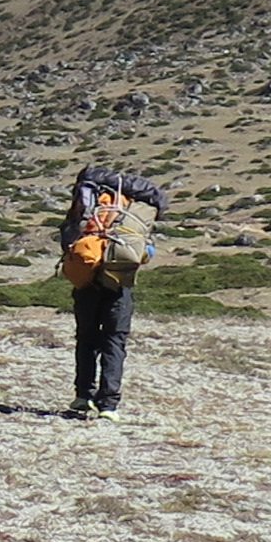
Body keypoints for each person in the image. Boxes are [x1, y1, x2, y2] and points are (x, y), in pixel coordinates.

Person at [62, 162, 168, 416]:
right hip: (119, 285)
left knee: (86, 339)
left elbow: (67, 240)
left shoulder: (86, 207)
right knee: (114, 341)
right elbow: (145, 251)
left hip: (87, 283)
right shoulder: (131, 210)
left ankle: (83, 395)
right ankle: (109, 404)